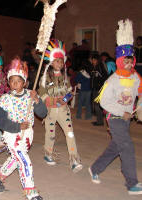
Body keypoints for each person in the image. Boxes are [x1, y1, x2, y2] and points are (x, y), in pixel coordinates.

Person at [89, 19, 142, 195]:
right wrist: (122, 111)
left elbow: (140, 93)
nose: (128, 64)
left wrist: (139, 105)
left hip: (126, 118)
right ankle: (132, 183)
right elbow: (104, 101)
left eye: (130, 61)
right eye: (125, 61)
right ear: (119, 61)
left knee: (116, 147)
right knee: (126, 146)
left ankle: (95, 168)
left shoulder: (135, 77)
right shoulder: (112, 80)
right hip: (115, 118)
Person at [0, 57, 47, 200]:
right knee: (24, 161)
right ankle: (31, 192)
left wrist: (37, 100)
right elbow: (0, 121)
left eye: (18, 81)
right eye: (12, 81)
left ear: (25, 82)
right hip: (11, 135)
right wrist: (17, 126)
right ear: (8, 82)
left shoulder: (31, 95)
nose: (15, 84)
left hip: (28, 135)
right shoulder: (5, 99)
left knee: (16, 159)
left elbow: (43, 113)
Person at [38, 39, 83, 172]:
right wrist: (52, 101)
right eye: (57, 61)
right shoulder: (45, 78)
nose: (60, 63)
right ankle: (48, 153)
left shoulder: (64, 77)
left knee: (70, 134)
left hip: (63, 111)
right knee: (50, 134)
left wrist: (65, 99)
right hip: (51, 111)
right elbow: (42, 93)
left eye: (61, 61)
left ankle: (74, 159)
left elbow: (69, 91)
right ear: (51, 62)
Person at [88, 53, 108, 126]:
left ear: (97, 60)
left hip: (99, 89)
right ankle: (99, 120)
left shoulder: (100, 67)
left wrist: (100, 85)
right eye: (92, 60)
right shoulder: (94, 67)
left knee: (97, 105)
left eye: (93, 60)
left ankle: (100, 121)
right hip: (94, 88)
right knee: (97, 105)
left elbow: (104, 77)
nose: (92, 61)